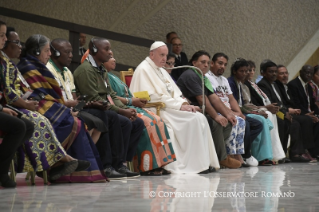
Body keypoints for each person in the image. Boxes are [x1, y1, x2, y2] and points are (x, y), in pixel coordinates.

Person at [0, 23, 85, 182]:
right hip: (9, 105)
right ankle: (55, 163)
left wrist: (29, 99)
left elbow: (23, 87)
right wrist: (25, 104)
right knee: (38, 121)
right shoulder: (23, 64)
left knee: (43, 120)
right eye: (14, 41)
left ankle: (57, 163)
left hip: (17, 104)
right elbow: (8, 92)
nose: (19, 46)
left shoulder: (7, 61)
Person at [17, 34, 106, 182]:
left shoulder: (36, 66)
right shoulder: (28, 67)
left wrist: (64, 107)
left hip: (44, 105)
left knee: (76, 120)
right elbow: (37, 95)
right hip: (33, 108)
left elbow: (45, 95)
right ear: (37, 52)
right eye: (46, 50)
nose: (49, 54)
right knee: (72, 121)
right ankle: (63, 166)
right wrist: (64, 107)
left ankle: (63, 165)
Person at [130, 41, 220, 174]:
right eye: (161, 55)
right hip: (155, 109)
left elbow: (174, 92)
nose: (164, 59)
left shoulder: (160, 69)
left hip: (169, 107)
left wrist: (184, 104)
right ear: (152, 54)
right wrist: (179, 105)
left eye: (166, 55)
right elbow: (151, 97)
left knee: (199, 117)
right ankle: (192, 165)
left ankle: (203, 163)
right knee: (192, 120)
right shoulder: (144, 69)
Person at [73, 37, 144, 178]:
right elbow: (94, 99)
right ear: (94, 50)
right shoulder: (86, 70)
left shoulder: (102, 70)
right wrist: (120, 111)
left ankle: (121, 163)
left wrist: (125, 109)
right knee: (115, 118)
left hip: (104, 107)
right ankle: (106, 165)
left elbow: (111, 95)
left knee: (137, 122)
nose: (110, 53)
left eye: (110, 49)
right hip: (89, 108)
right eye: (106, 49)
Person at [104, 51, 176, 175]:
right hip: (120, 108)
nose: (114, 60)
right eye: (110, 57)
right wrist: (131, 101)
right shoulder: (104, 77)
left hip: (129, 106)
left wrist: (135, 100)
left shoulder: (113, 76)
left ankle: (159, 163)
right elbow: (111, 98)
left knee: (157, 120)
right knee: (148, 122)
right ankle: (146, 166)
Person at [176, 50, 241, 169]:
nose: (206, 65)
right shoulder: (191, 74)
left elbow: (214, 98)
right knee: (216, 124)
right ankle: (222, 158)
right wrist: (216, 116)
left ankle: (214, 155)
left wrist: (228, 114)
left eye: (207, 62)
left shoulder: (202, 77)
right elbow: (202, 99)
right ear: (194, 62)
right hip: (187, 111)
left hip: (200, 110)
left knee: (228, 123)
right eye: (203, 62)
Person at [206, 53, 262, 167]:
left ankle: (237, 153)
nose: (222, 66)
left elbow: (231, 99)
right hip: (218, 110)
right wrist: (229, 113)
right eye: (220, 63)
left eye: (225, 64)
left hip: (228, 110)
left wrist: (239, 112)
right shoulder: (207, 77)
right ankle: (230, 155)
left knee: (240, 119)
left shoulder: (224, 80)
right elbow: (214, 100)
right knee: (237, 121)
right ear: (212, 63)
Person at [228, 58, 280, 165]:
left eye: (247, 71)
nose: (246, 73)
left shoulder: (243, 84)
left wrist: (259, 110)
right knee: (259, 121)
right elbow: (239, 105)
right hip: (235, 111)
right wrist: (259, 110)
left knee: (265, 119)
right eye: (243, 71)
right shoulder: (232, 82)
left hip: (243, 111)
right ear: (235, 71)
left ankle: (266, 154)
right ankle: (248, 153)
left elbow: (246, 104)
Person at [276, 65, 316, 162]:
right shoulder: (286, 85)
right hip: (281, 112)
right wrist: (301, 113)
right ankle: (302, 151)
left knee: (311, 120)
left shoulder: (285, 86)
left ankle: (311, 151)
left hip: (291, 111)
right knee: (304, 120)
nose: (285, 76)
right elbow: (282, 103)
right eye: (281, 73)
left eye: (286, 73)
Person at [257, 60, 292, 163]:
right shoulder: (263, 84)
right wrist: (284, 114)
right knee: (282, 121)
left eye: (275, 72)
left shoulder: (276, 84)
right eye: (271, 72)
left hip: (280, 110)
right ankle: (277, 154)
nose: (274, 74)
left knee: (288, 121)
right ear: (263, 73)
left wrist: (287, 112)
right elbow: (272, 102)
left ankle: (283, 153)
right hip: (272, 110)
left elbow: (282, 101)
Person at [288, 65, 319, 160]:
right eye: (306, 72)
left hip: (308, 113)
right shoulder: (293, 84)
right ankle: (306, 150)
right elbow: (295, 103)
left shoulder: (308, 86)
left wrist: (316, 114)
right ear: (300, 72)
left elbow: (312, 104)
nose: (308, 75)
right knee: (307, 120)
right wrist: (306, 114)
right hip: (298, 113)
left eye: (310, 73)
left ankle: (315, 152)